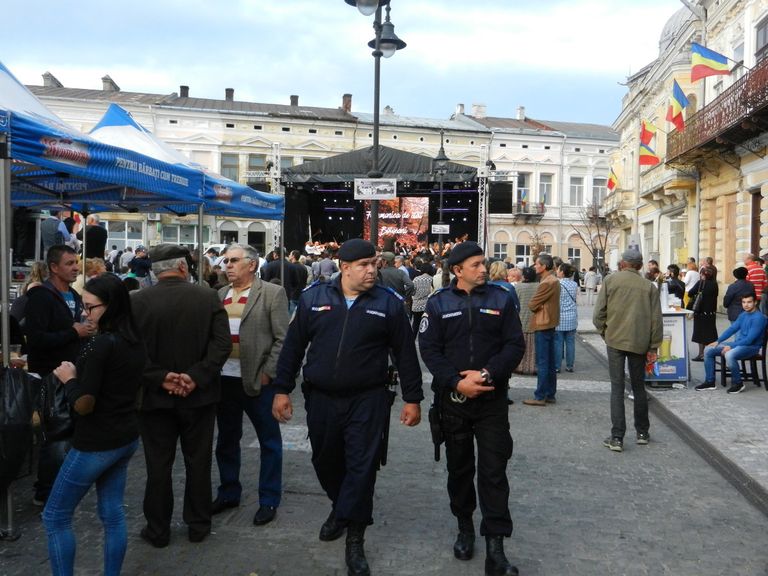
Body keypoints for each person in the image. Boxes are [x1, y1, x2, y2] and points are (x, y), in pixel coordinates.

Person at [272, 238, 423, 576]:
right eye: (364, 265)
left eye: (374, 264)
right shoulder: (314, 298)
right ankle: (341, 506)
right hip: (321, 397)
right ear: (344, 267)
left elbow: (405, 354)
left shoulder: (388, 303)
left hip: (368, 399)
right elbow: (293, 348)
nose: (372, 270)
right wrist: (282, 389)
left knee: (362, 466)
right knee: (325, 460)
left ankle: (355, 536)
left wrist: (413, 398)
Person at [419, 241, 525, 576]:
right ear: (458, 270)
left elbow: (514, 345)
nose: (484, 269)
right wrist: (455, 381)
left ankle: (496, 546)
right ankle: (464, 526)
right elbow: (429, 349)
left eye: (484, 263)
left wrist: (487, 373)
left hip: (492, 400)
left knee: (494, 471)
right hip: (454, 402)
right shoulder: (438, 303)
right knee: (459, 469)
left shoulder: (501, 298)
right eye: (476, 264)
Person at [42, 274, 146, 576]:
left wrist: (69, 378)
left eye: (90, 307)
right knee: (112, 513)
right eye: (83, 308)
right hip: (124, 435)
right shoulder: (134, 340)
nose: (85, 314)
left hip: (96, 442)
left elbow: (84, 404)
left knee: (55, 516)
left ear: (110, 306)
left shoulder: (100, 345)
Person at [131, 244, 232, 547]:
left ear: (154, 271)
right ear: (184, 268)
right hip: (198, 397)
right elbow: (222, 345)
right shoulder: (207, 297)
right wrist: (195, 376)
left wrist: (161, 378)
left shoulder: (137, 302)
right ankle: (198, 524)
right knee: (198, 461)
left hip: (155, 398)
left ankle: (158, 529)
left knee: (158, 465)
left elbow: (130, 351)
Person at [212, 244, 290, 526]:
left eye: (234, 261)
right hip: (224, 381)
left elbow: (283, 338)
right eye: (225, 261)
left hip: (258, 382)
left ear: (252, 265)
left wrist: (269, 373)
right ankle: (229, 491)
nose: (227, 265)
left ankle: (268, 500)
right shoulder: (220, 295)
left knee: (269, 442)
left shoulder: (271, 293)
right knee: (226, 440)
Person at [25, 245, 97, 504]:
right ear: (54, 268)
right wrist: (73, 333)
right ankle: (44, 493)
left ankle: (61, 485)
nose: (76, 268)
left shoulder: (74, 295)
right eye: (69, 263)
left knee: (69, 432)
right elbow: (35, 339)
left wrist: (87, 329)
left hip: (72, 372)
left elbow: (76, 325)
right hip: (50, 375)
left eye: (76, 262)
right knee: (56, 435)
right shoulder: (41, 296)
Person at [593, 248, 663, 453]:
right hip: (639, 341)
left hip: (615, 340)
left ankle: (617, 437)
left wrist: (604, 332)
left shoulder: (611, 281)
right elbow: (656, 320)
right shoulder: (649, 287)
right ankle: (642, 432)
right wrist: (653, 345)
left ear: (623, 263)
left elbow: (599, 313)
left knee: (617, 387)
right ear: (640, 266)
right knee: (638, 386)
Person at [696, 293, 768, 393]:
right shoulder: (743, 314)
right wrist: (718, 341)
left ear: (755, 302)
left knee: (729, 354)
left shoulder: (759, 318)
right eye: (744, 302)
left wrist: (731, 346)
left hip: (751, 347)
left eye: (749, 302)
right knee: (708, 349)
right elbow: (732, 329)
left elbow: (749, 340)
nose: (746, 305)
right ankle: (710, 382)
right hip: (740, 344)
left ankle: (738, 383)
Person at [523, 254, 560, 406]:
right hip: (550, 324)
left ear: (544, 266)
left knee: (543, 362)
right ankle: (550, 393)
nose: (534, 266)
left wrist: (536, 305)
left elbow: (532, 305)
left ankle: (540, 396)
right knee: (550, 362)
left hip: (543, 324)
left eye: (536, 264)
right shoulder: (553, 280)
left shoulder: (547, 282)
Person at [688, 266, 719, 361]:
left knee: (700, 334)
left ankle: (701, 354)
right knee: (709, 334)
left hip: (700, 312)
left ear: (703, 275)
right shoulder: (715, 284)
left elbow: (690, 293)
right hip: (711, 313)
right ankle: (709, 353)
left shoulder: (701, 283)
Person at [554, 262, 578, 373]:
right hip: (572, 317)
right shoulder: (574, 284)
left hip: (560, 317)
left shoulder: (557, 284)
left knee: (558, 342)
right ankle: (570, 366)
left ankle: (557, 366)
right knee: (570, 342)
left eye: (558, 270)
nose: (557, 271)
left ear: (562, 273)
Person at [515, 266, 539, 375]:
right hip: (535, 320)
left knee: (522, 346)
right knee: (534, 347)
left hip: (521, 319)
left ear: (524, 276)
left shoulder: (518, 287)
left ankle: (520, 367)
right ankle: (533, 367)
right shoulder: (539, 286)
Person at [410, 262, 433, 337]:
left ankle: (412, 342)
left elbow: (412, 291)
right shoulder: (431, 279)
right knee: (426, 326)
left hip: (416, 306)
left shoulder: (416, 279)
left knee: (415, 325)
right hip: (427, 306)